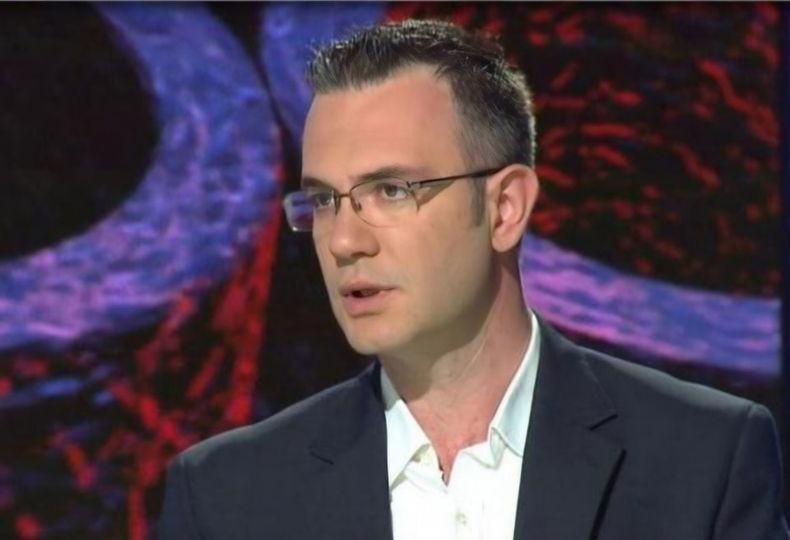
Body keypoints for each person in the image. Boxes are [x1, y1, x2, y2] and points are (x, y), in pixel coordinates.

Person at [157, 19, 789, 539]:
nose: (344, 241)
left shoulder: (703, 460)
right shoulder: (226, 497)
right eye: (324, 201)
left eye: (392, 190)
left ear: (505, 208)